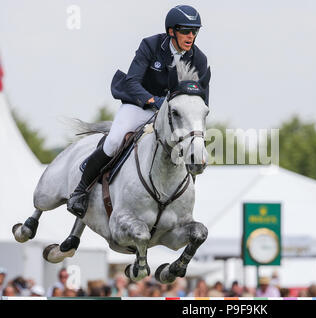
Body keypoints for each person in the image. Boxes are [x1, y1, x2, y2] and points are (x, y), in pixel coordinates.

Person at [67, 5, 210, 218]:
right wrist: (153, 101)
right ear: (171, 31)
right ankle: (80, 191)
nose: (191, 36)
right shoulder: (151, 45)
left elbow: (200, 97)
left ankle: (180, 206)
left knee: (190, 148)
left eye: (194, 31)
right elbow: (132, 81)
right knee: (114, 140)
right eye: (185, 31)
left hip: (173, 116)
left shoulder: (199, 59)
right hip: (139, 105)